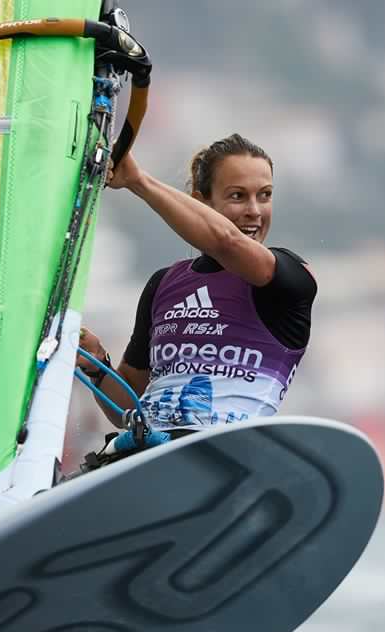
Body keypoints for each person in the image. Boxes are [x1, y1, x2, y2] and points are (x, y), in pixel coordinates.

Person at [77, 133, 316, 457]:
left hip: (230, 456)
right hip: (147, 455)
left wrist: (138, 182)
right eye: (237, 196)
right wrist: (97, 364)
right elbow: (126, 405)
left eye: (265, 195)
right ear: (200, 202)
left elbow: (226, 241)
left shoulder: (286, 278)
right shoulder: (163, 284)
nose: (254, 210)